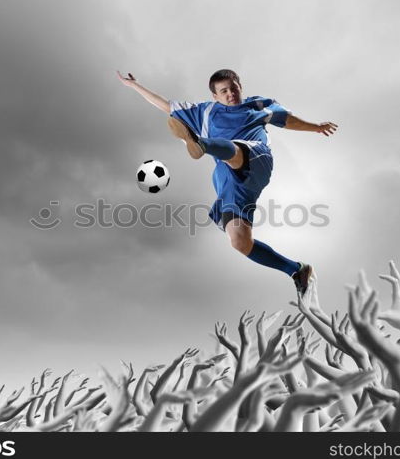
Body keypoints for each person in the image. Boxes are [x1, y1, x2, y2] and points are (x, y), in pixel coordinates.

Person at [116, 69, 337, 295]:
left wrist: (316, 127)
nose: (230, 94)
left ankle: (201, 144)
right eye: (224, 91)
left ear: (240, 86)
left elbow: (288, 120)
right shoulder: (204, 111)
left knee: (233, 150)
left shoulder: (259, 105)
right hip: (229, 180)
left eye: (234, 88)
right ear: (215, 96)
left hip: (256, 157)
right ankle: (296, 270)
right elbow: (166, 106)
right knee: (239, 241)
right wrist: (134, 85)